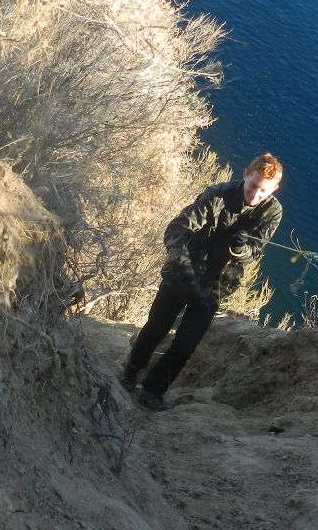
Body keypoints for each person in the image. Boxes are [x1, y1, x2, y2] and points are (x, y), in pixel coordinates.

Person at [121, 153, 284, 411]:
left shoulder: (272, 212)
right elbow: (177, 229)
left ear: (274, 189)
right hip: (183, 271)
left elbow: (255, 250)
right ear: (245, 175)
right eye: (253, 186)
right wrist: (183, 269)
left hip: (217, 284)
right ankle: (131, 372)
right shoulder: (217, 195)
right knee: (156, 327)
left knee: (186, 345)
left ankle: (152, 391)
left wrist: (240, 249)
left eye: (263, 191)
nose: (255, 195)